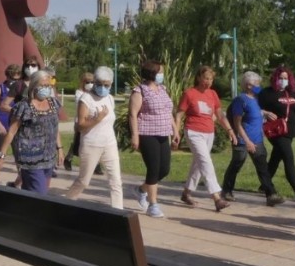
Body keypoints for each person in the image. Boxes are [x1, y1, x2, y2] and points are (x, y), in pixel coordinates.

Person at [0, 69, 63, 194]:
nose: (46, 88)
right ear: (34, 85)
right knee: (40, 194)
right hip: (30, 160)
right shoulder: (23, 107)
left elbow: (55, 127)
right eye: (43, 85)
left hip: (49, 158)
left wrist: (60, 149)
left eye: (48, 86)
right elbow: (12, 132)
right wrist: (1, 155)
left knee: (37, 195)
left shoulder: (53, 103)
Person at [220, 72, 285, 206]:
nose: (259, 87)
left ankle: (271, 194)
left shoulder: (256, 99)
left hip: (257, 139)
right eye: (257, 84)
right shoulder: (240, 100)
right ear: (249, 85)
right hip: (243, 140)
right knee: (237, 163)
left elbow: (255, 112)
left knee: (262, 167)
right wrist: (247, 141)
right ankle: (226, 190)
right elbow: (237, 123)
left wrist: (265, 113)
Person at [176, 66, 235, 211]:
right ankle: (216, 197)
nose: (208, 82)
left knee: (198, 163)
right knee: (205, 162)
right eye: (206, 78)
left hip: (209, 132)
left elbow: (220, 115)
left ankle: (186, 193)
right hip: (193, 132)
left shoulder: (213, 94)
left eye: (211, 79)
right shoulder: (189, 93)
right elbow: (179, 114)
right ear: (199, 78)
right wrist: (176, 133)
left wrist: (230, 130)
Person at [65, 66, 123, 208]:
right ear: (94, 82)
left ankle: (118, 212)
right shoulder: (86, 99)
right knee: (84, 181)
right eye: (99, 84)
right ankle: (66, 202)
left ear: (111, 85)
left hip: (109, 143)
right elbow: (80, 125)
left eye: (106, 85)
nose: (102, 87)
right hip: (91, 144)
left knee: (116, 181)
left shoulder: (110, 98)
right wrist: (97, 118)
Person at [129, 59, 180, 218]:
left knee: (164, 170)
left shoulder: (162, 89)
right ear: (152, 73)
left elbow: (167, 111)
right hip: (147, 133)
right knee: (153, 168)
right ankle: (153, 204)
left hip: (163, 133)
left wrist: (175, 130)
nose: (162, 75)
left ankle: (141, 190)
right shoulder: (140, 91)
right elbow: (133, 114)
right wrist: (135, 135)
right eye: (160, 72)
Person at [258, 66, 295, 202]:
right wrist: (265, 113)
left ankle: (264, 185)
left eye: (285, 78)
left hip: (289, 131)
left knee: (276, 158)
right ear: (275, 78)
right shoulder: (267, 93)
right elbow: (256, 108)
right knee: (288, 158)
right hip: (276, 131)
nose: (283, 81)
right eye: (281, 78)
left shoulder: (292, 93)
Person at [0, 63, 21, 183]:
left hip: (15, 123)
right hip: (1, 121)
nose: (14, 81)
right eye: (12, 78)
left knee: (18, 151)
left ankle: (20, 177)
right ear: (7, 76)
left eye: (17, 78)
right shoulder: (0, 87)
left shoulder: (20, 88)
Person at [63, 71, 94, 171]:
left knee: (92, 142)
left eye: (92, 82)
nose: (90, 84)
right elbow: (80, 106)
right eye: (88, 82)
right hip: (80, 121)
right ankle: (68, 158)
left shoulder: (93, 93)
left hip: (92, 122)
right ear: (83, 82)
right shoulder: (79, 93)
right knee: (78, 142)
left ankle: (96, 165)